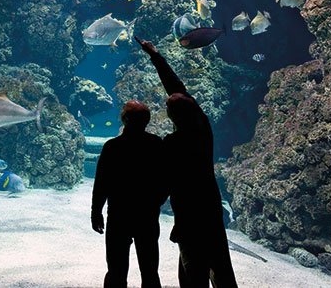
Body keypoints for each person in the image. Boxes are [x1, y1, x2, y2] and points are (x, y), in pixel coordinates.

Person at [135, 36, 238, 288]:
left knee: (193, 269)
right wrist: (155, 55)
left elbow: (163, 183)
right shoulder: (203, 129)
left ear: (171, 116)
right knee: (221, 265)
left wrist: (147, 206)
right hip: (210, 205)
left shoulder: (171, 144)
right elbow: (177, 88)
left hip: (188, 212)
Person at [91, 99, 168, 288]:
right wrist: (155, 202)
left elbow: (101, 184)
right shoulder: (156, 144)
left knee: (116, 271)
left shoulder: (112, 147)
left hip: (119, 215)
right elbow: (166, 180)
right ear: (147, 121)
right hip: (147, 216)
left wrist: (96, 212)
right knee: (150, 271)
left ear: (124, 119)